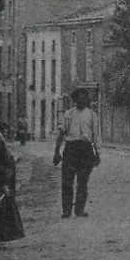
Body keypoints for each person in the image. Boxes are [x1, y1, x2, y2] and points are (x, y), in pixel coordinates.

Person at [53, 87, 101, 218]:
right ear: (75, 99)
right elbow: (61, 133)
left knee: (83, 181)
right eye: (79, 97)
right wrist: (56, 152)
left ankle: (79, 209)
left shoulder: (92, 115)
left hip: (86, 150)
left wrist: (97, 153)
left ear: (87, 99)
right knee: (67, 181)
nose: (82, 99)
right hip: (71, 149)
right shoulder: (68, 114)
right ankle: (66, 210)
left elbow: (95, 136)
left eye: (85, 97)